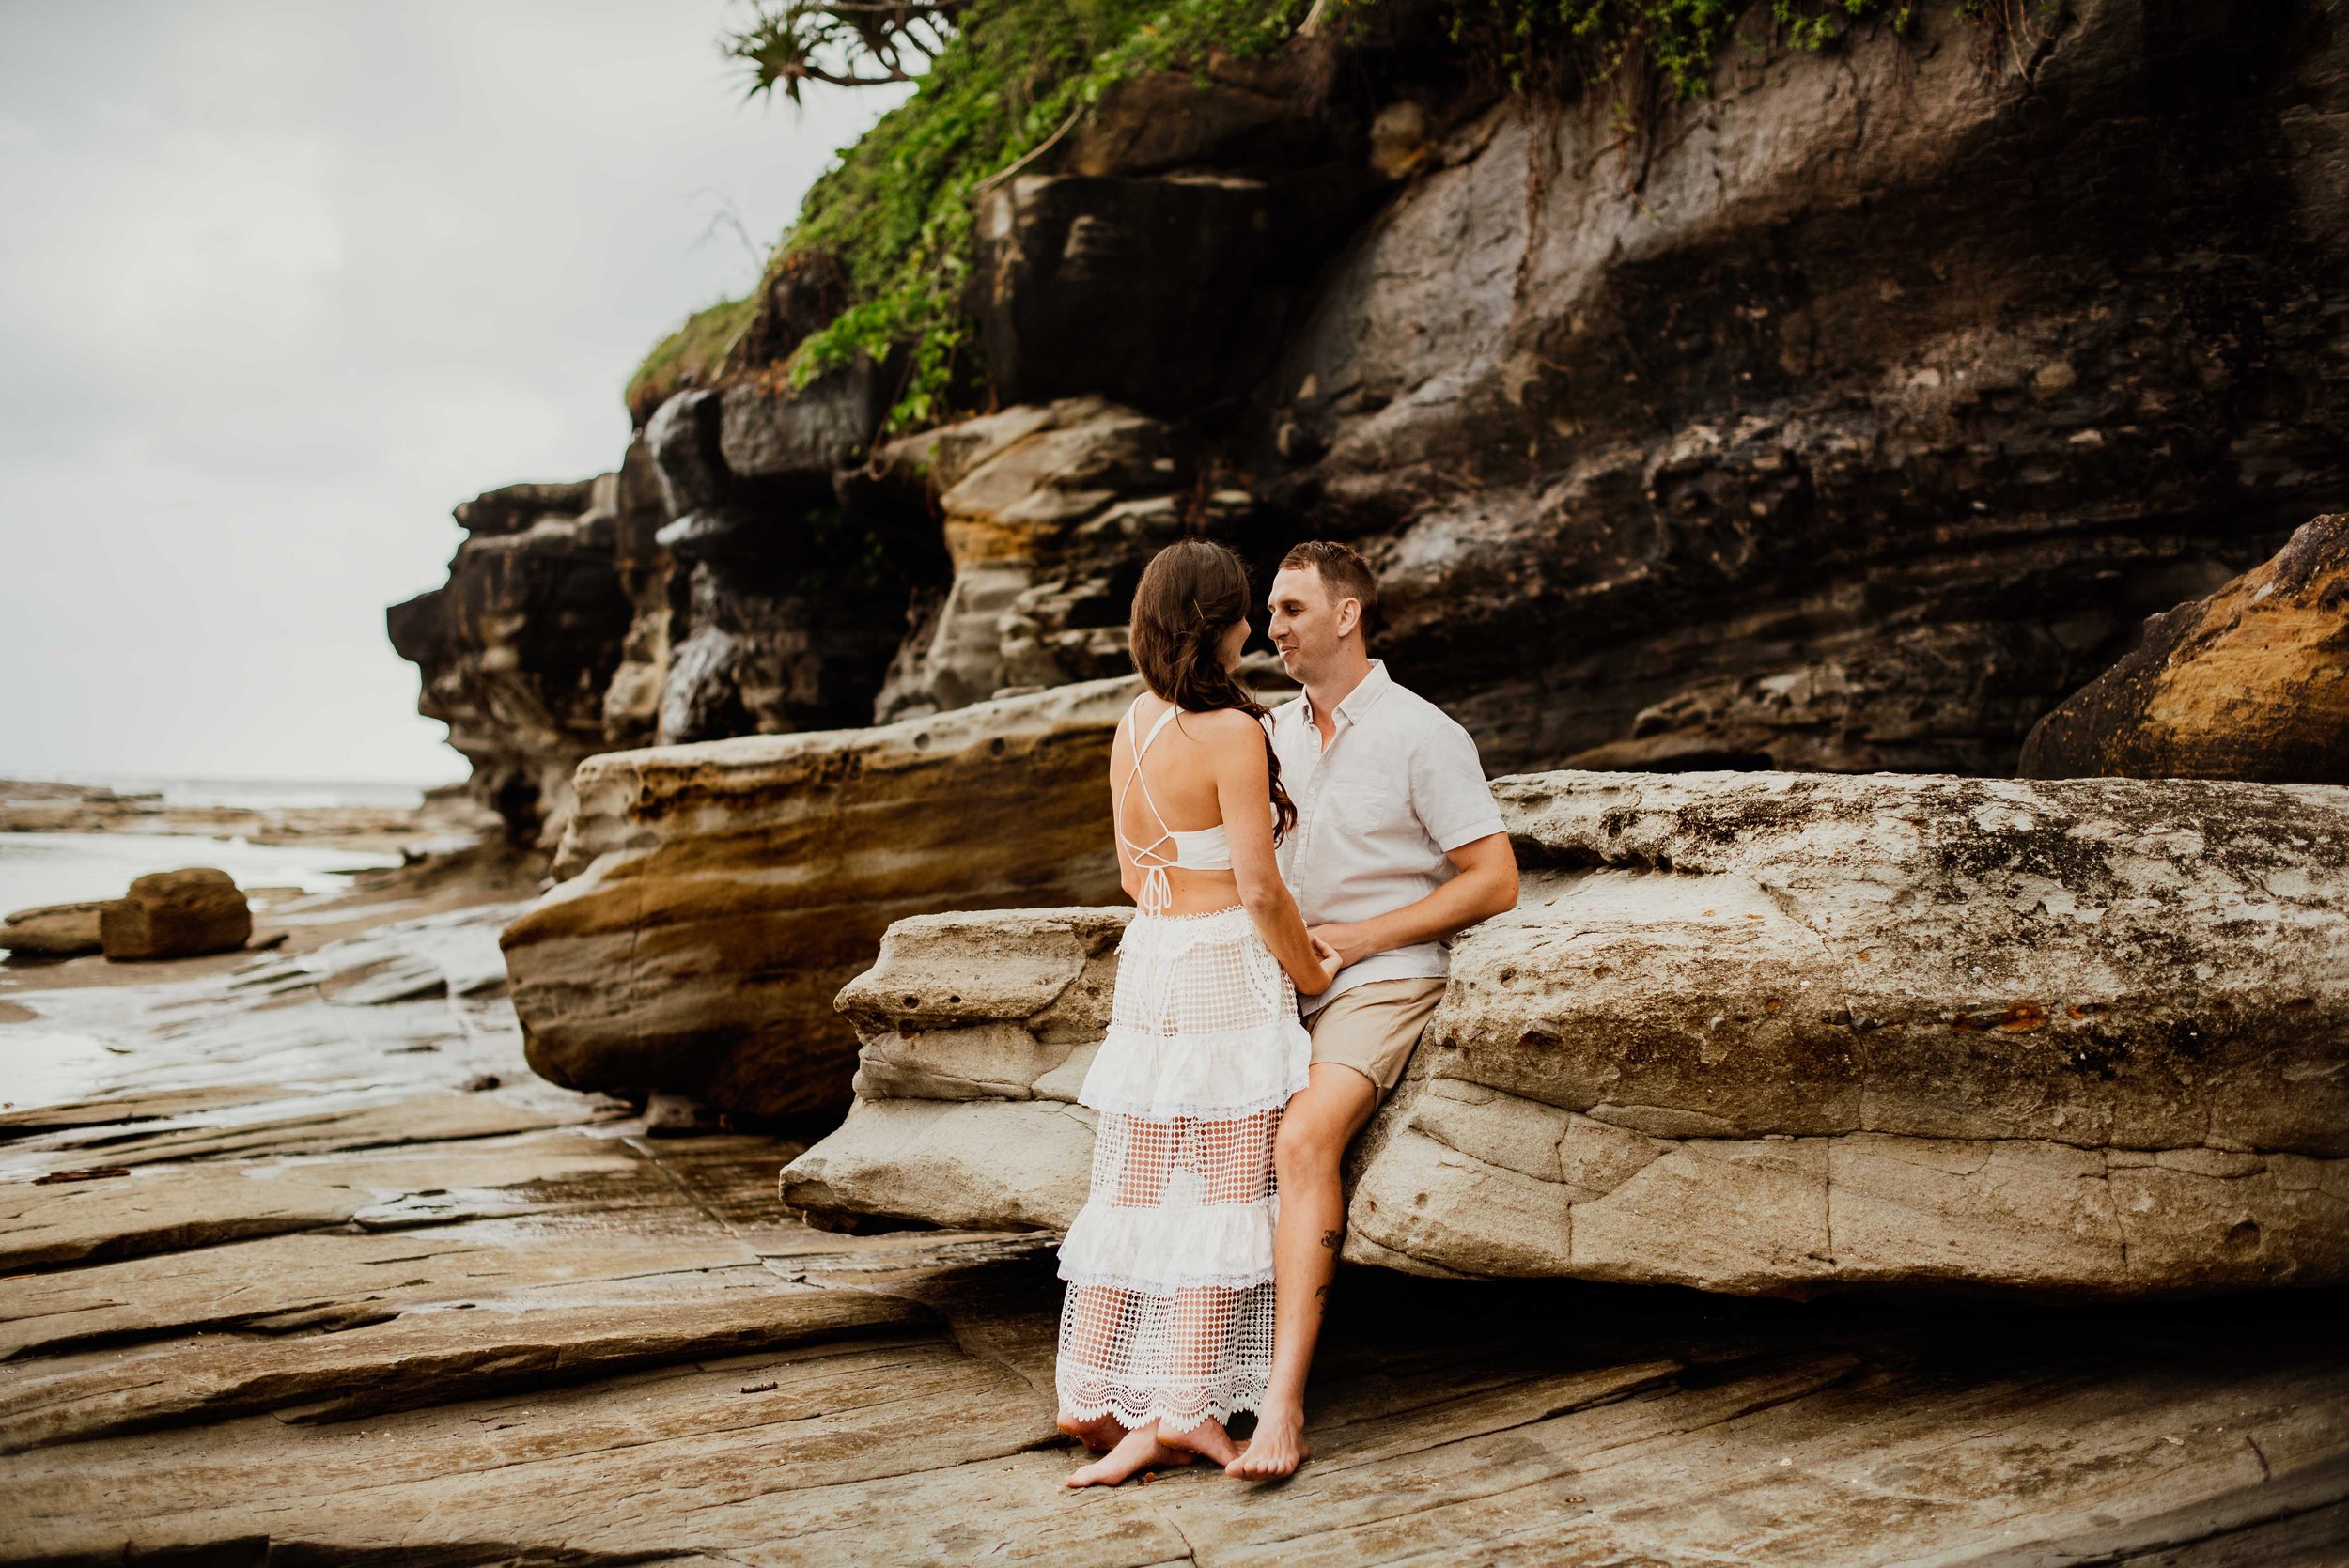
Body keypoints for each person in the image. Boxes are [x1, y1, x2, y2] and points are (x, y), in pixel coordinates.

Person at [1053, 538, 1345, 1488]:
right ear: (1218, 625)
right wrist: (1310, 967)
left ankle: (1091, 1393)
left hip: (1153, 966)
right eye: (1243, 613)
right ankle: (1185, 1410)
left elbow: (1136, 872)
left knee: (1136, 1187)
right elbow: (1260, 892)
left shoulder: (1133, 722)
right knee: (1225, 1194)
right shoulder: (1231, 733)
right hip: (1223, 968)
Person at [1227, 539, 1520, 1481]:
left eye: (1290, 611)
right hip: (1278, 980)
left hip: (1384, 978)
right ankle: (1184, 1392)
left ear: (1346, 616)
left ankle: (1282, 1405)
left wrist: (1359, 939)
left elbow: (1495, 880)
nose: (1270, 630)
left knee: (1302, 1141)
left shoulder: (1422, 733)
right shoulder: (1264, 734)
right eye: (1269, 614)